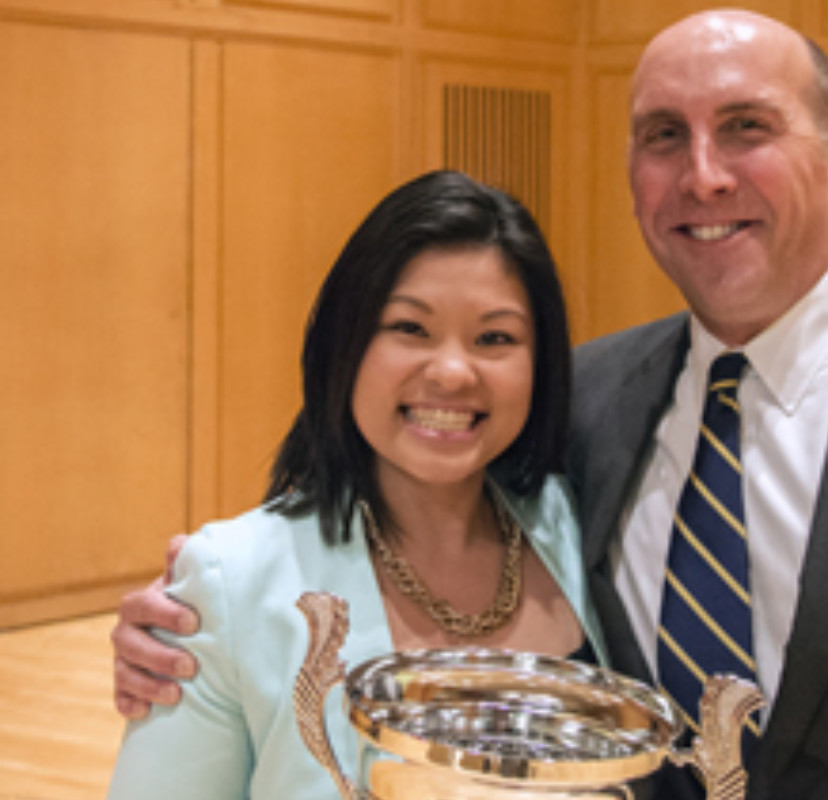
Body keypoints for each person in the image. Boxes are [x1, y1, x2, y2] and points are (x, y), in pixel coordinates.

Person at [110, 9, 828, 800]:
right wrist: (177, 629)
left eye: (745, 126)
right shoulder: (583, 406)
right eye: (662, 137)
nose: (701, 174)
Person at [106, 169, 605, 799]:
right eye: (409, 328)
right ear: (345, 343)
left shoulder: (581, 525)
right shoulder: (232, 581)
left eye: (495, 338)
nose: (452, 371)